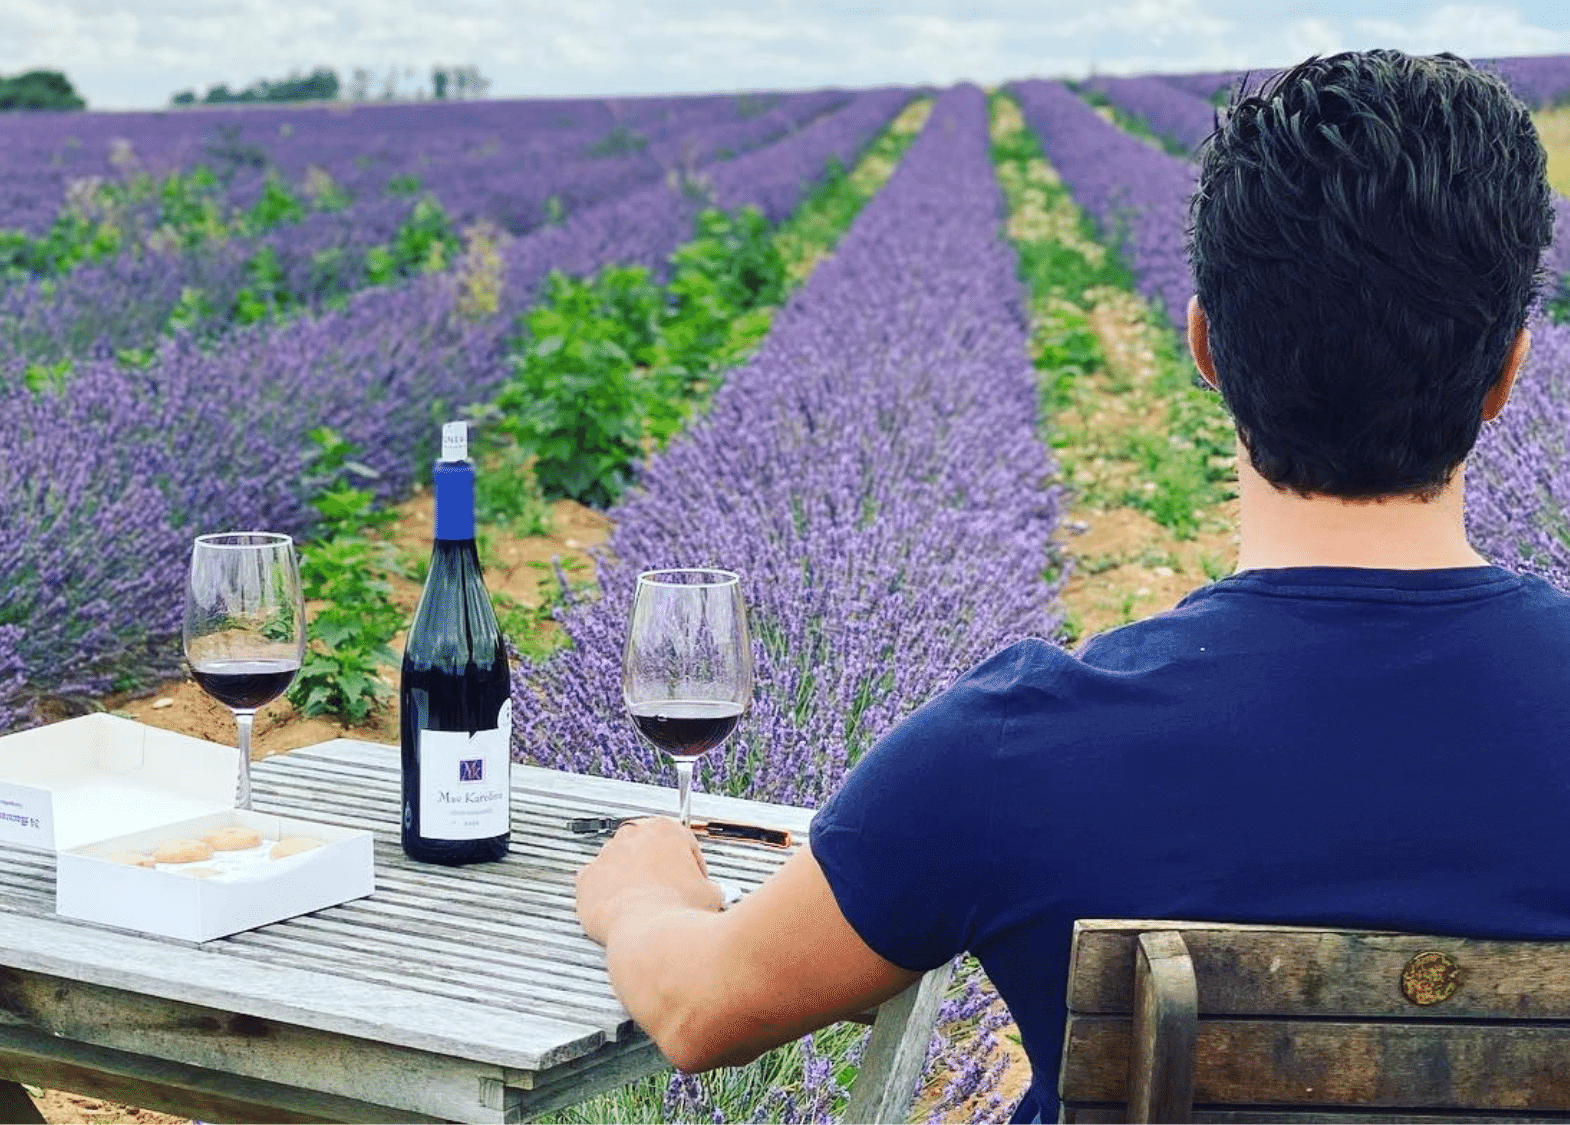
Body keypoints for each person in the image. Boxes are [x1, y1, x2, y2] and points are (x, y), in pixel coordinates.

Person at [574, 48, 1566, 1123]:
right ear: (1506, 372)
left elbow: (700, 1010)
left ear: (1204, 349)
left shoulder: (1017, 746)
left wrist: (643, 899)